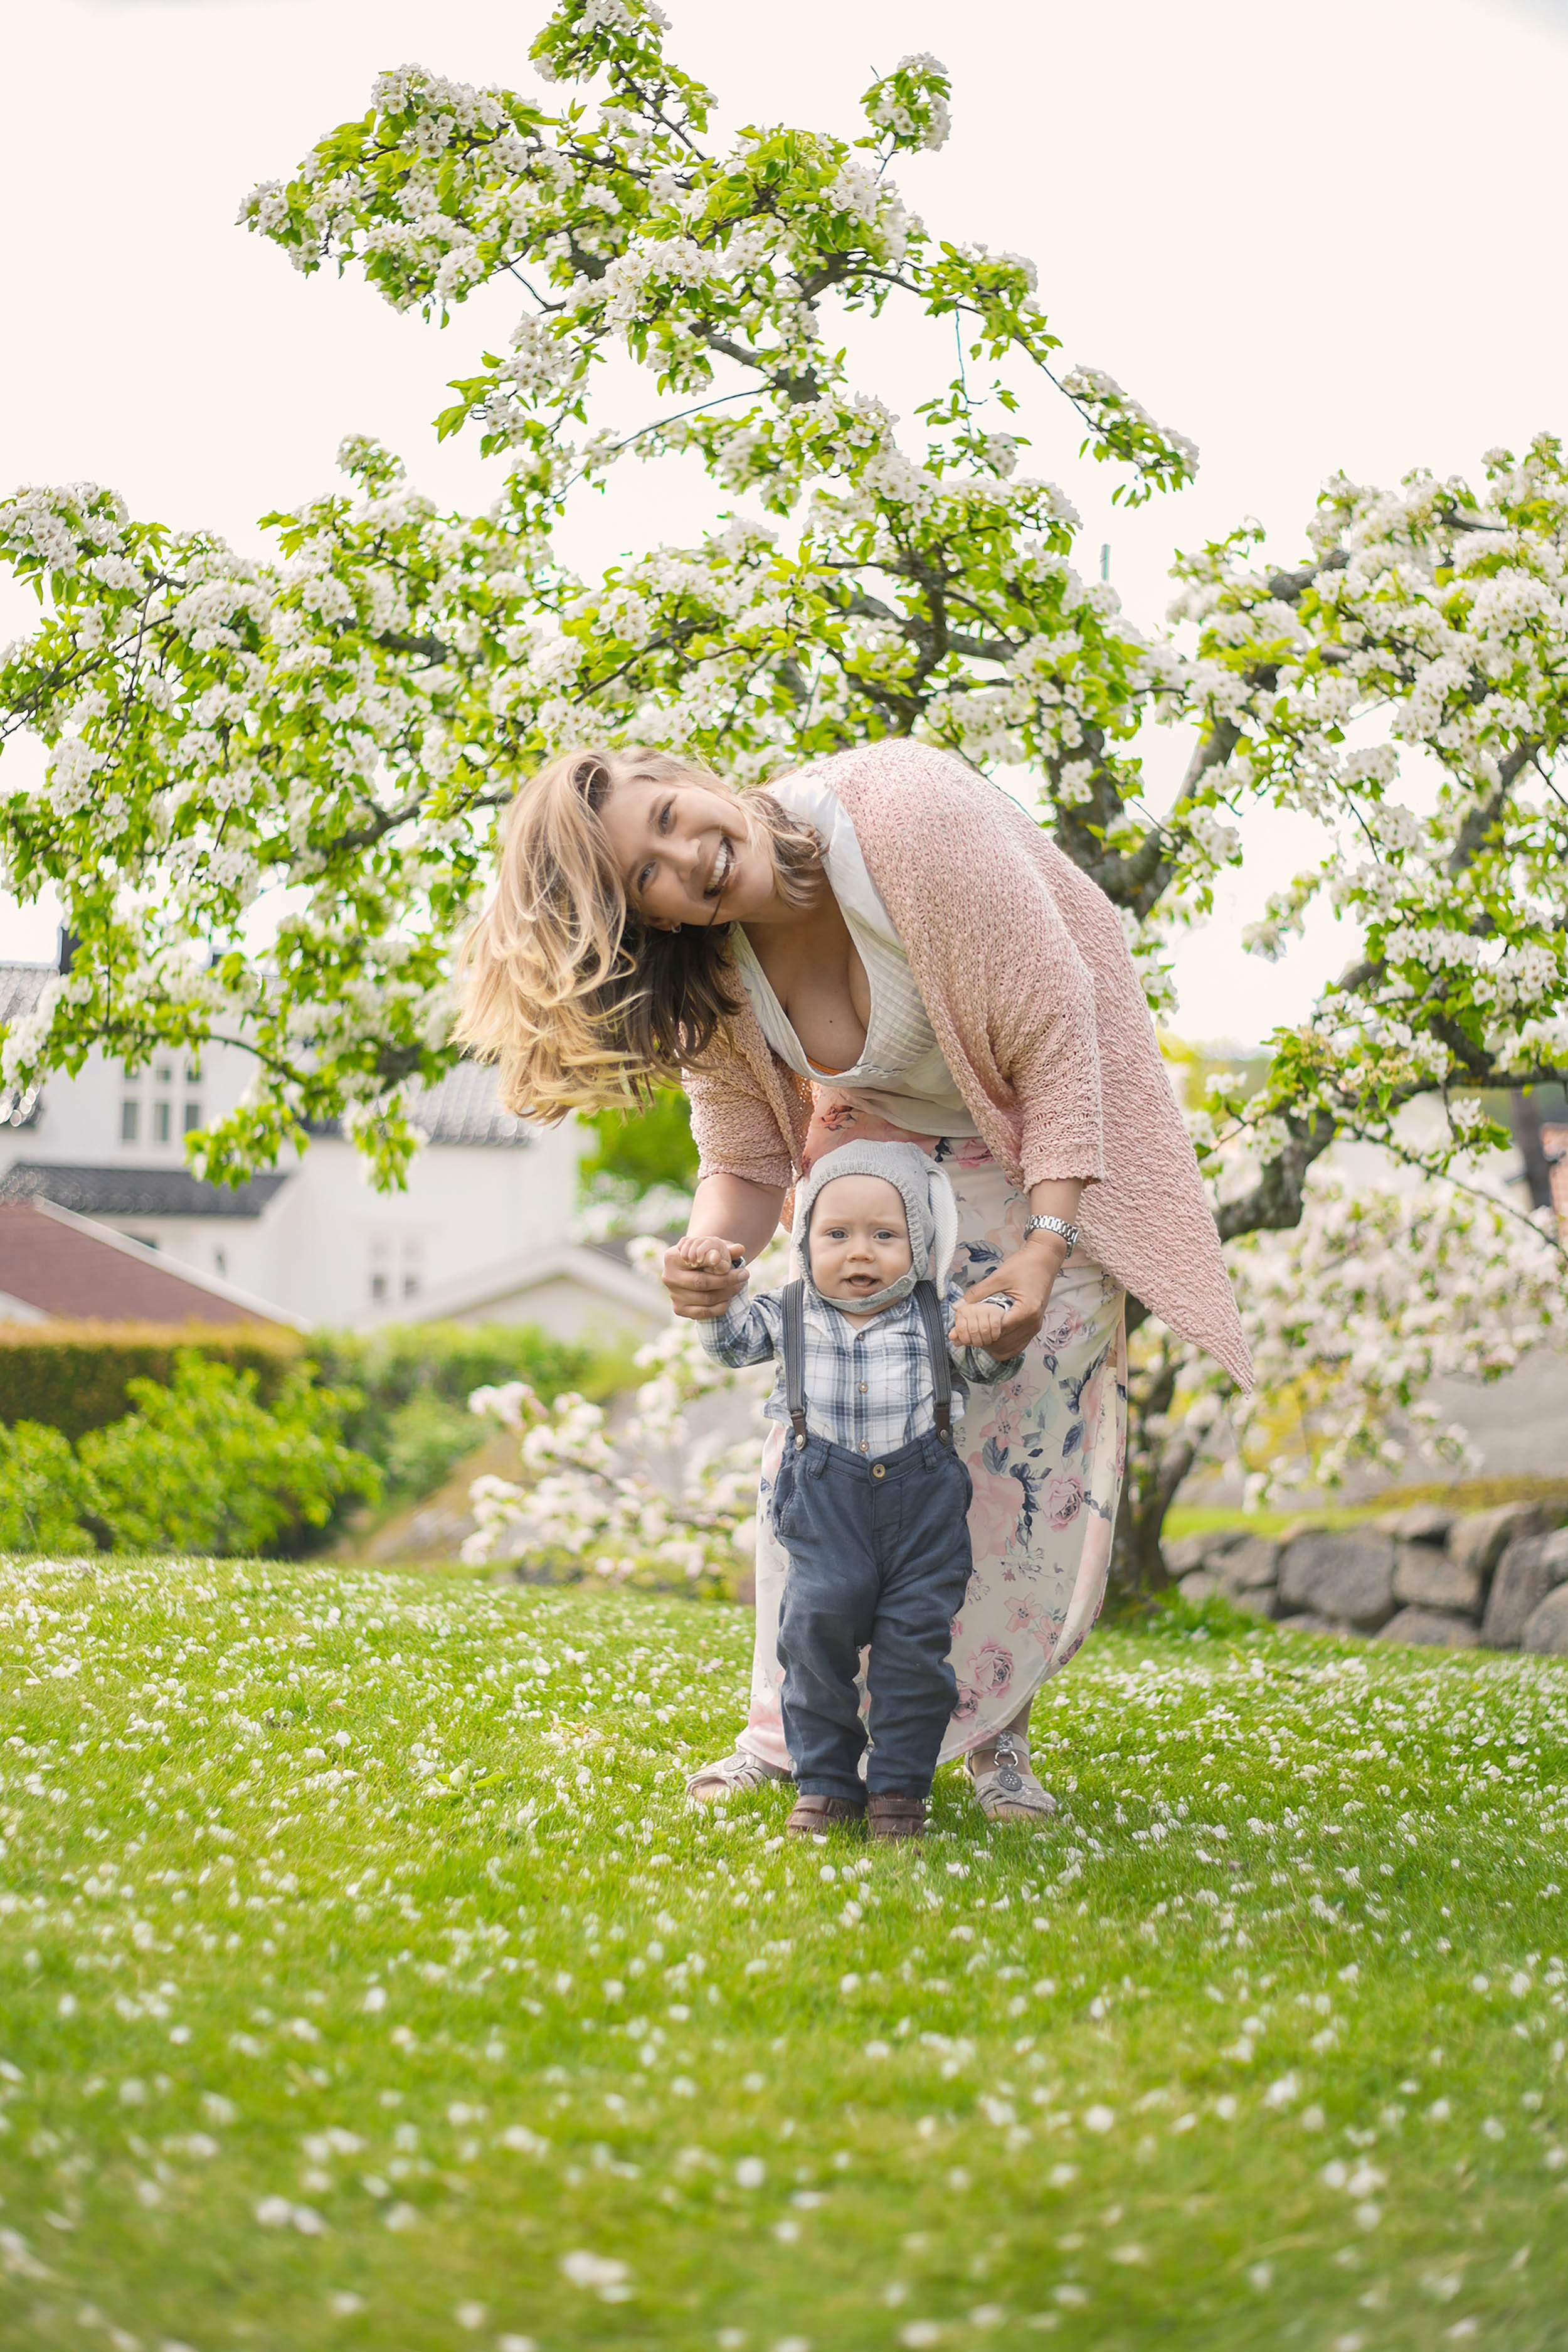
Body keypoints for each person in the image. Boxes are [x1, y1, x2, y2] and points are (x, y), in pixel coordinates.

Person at [458, 738, 1250, 1822]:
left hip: (1036, 1150)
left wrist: (1044, 1246)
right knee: (823, 1452)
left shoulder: (908, 819)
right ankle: (786, 1734)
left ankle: (992, 1745)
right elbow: (742, 1155)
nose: (688, 856)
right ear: (657, 923)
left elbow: (1063, 1037)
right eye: (648, 877)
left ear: (686, 772)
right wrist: (715, 1255)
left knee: (1010, 1460)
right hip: (872, 1174)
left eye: (669, 815)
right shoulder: (721, 972)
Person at [679, 1142, 1021, 1841]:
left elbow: (985, 1365)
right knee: (813, 1631)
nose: (859, 1252)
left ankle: (898, 1791)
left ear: (919, 1246)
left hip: (921, 1511)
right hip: (823, 1503)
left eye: (884, 1235)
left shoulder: (939, 1311)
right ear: (805, 1240)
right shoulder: (791, 1309)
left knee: (913, 1649)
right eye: (837, 1234)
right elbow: (731, 1344)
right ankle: (828, 1782)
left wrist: (993, 1330)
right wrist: (718, 1283)